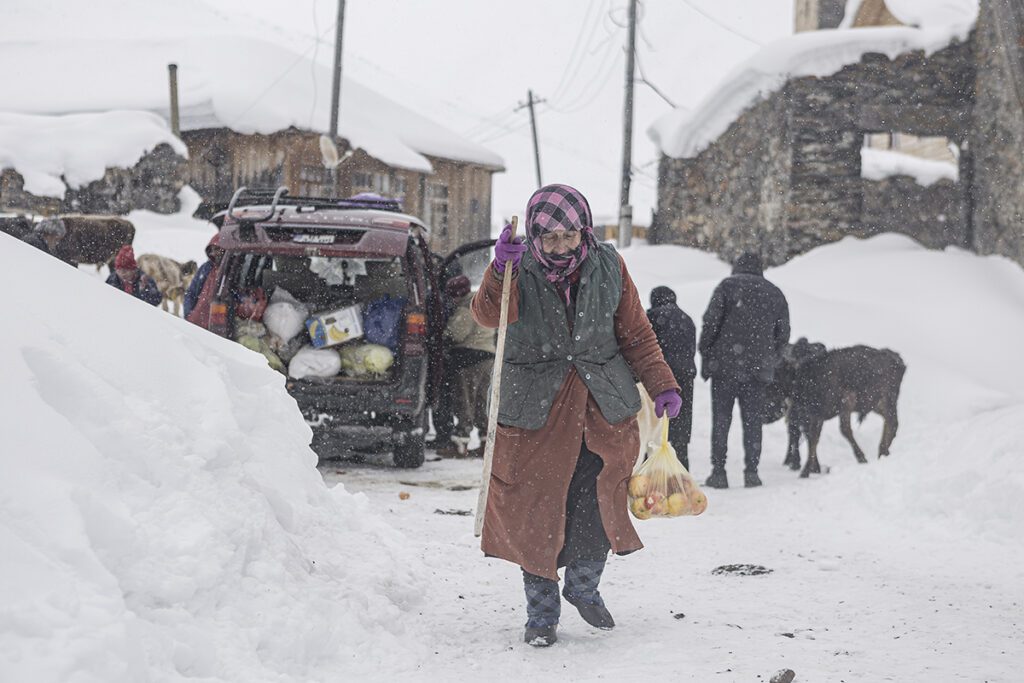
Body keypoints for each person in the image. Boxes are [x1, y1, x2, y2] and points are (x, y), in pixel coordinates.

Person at [471, 184, 681, 648]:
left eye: (569, 235)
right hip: (535, 411)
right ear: (533, 235)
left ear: (584, 230)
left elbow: (637, 333)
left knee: (599, 503)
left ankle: (583, 587)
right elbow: (487, 315)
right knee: (535, 510)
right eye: (549, 238)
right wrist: (500, 269)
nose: (561, 246)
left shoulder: (609, 265)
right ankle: (541, 614)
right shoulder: (517, 268)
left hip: (601, 407)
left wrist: (662, 383)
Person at [698, 252, 790, 489]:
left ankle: (719, 472)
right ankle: (752, 472)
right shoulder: (774, 293)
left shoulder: (727, 287)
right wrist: (769, 359)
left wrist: (707, 352)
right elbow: (783, 336)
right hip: (757, 371)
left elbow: (710, 323)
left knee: (721, 421)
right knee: (753, 423)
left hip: (724, 368)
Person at [437, 275, 495, 458]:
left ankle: (460, 445)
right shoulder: (484, 303)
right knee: (482, 403)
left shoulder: (466, 307)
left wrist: (442, 335)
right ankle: (486, 444)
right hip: (488, 357)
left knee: (465, 402)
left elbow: (456, 334)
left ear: (457, 294)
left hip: (469, 359)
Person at [646, 286, 697, 469]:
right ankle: (682, 471)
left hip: (660, 378)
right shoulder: (687, 319)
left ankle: (652, 471)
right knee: (681, 423)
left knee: (655, 426)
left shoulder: (651, 317)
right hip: (685, 376)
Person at [184, 233, 224, 327]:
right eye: (212, 250)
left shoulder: (231, 270)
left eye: (217, 249)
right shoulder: (205, 268)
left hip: (216, 326)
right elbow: (191, 292)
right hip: (195, 322)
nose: (214, 253)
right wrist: (188, 313)